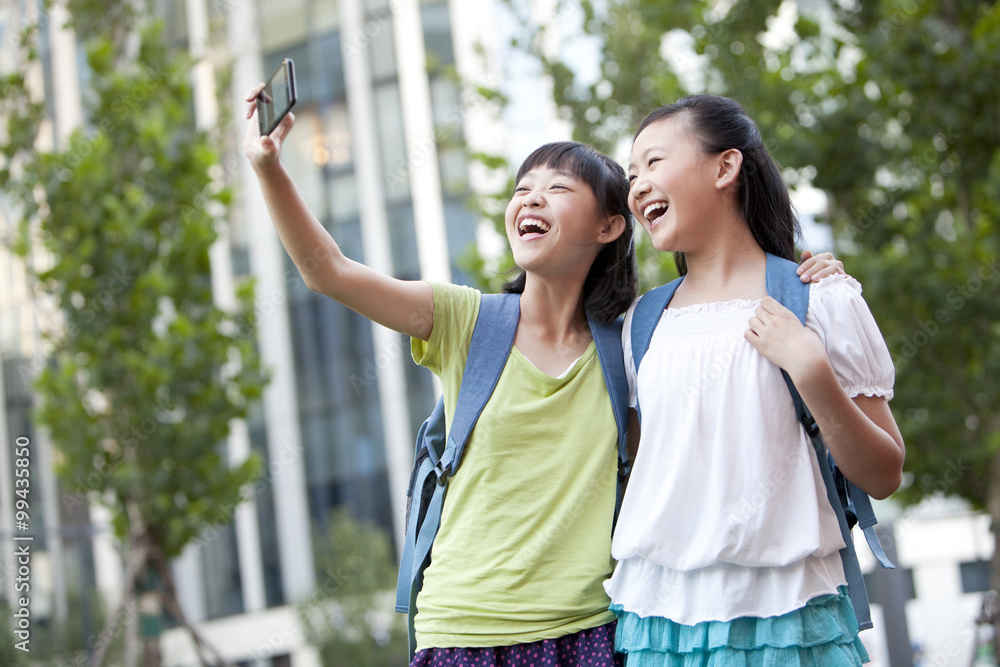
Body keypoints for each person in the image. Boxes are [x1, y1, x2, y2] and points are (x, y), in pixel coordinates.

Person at [242, 86, 846, 666]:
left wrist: (799, 278)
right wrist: (268, 166)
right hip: (462, 631)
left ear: (610, 227)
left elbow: (677, 442)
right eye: (522, 188)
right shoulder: (464, 320)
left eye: (557, 188)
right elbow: (329, 271)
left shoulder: (635, 340)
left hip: (589, 633)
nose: (530, 198)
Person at [606, 94, 906, 666]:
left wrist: (812, 369)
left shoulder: (820, 298)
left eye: (654, 162)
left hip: (786, 621)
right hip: (656, 626)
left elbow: (885, 473)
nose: (637, 184)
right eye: (631, 173)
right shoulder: (639, 324)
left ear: (725, 167)